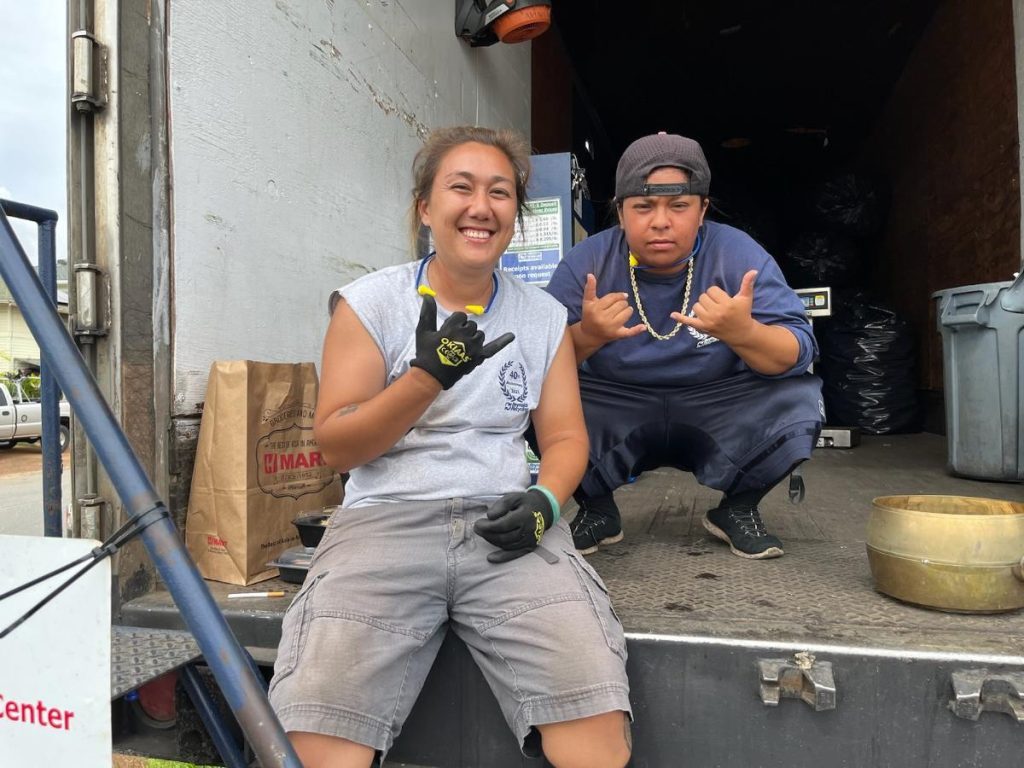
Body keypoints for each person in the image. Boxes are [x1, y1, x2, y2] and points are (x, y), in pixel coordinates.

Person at [268, 126, 632, 768]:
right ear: (425, 208)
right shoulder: (370, 303)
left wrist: (546, 502)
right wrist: (426, 379)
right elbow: (339, 447)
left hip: (507, 527)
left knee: (595, 734)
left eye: (499, 192)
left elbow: (567, 436)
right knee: (320, 743)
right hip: (384, 523)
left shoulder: (543, 317)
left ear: (515, 216)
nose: (480, 206)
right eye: (459, 188)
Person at [544, 132, 824, 560]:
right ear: (620, 212)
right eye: (642, 207)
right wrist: (587, 335)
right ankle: (597, 509)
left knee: (799, 397)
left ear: (702, 210)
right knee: (530, 394)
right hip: (617, 403)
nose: (660, 221)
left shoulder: (736, 253)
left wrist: (742, 332)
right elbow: (534, 356)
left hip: (716, 401)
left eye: (678, 206)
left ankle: (738, 507)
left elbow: (799, 349)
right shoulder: (589, 262)